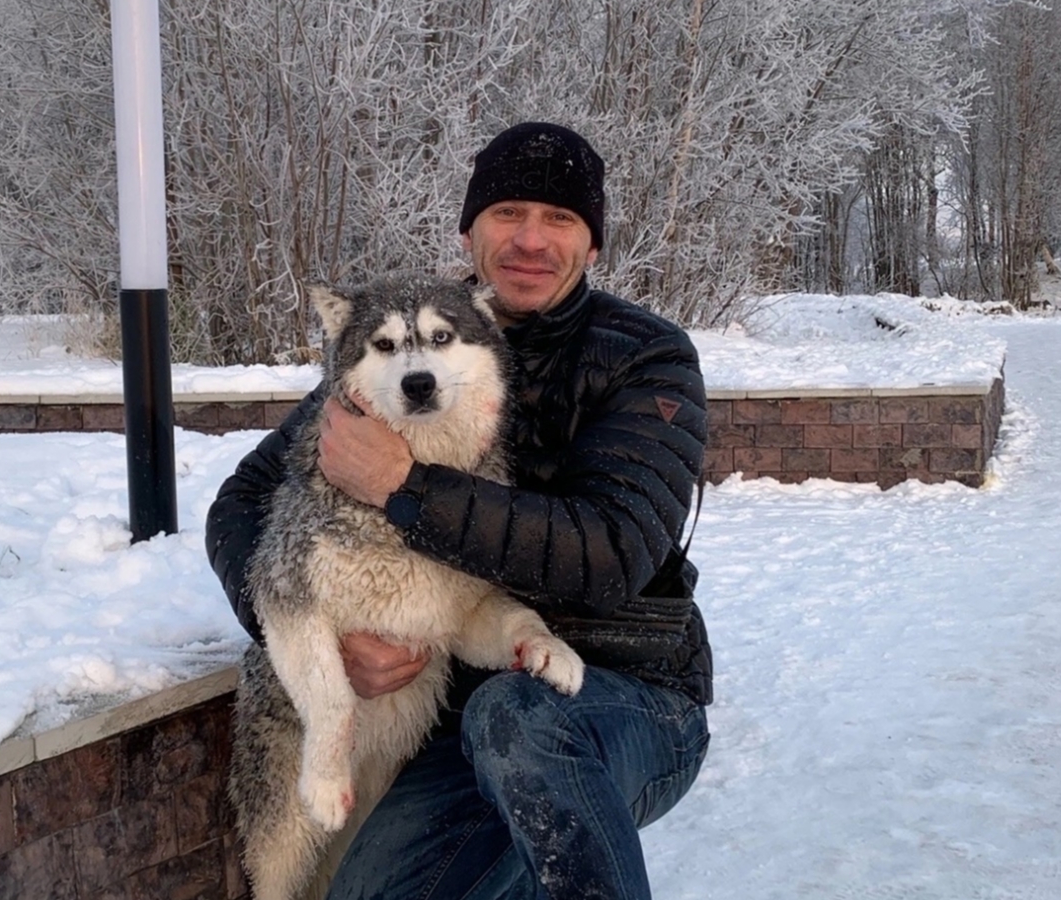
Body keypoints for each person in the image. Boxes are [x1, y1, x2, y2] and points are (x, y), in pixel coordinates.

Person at [206, 121, 712, 899]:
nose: (532, 240)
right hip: (464, 716)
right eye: (509, 213)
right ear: (471, 230)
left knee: (521, 719)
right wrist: (298, 628)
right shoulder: (396, 346)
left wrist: (406, 490)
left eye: (561, 219)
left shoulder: (645, 356)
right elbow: (242, 503)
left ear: (594, 244)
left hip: (629, 699)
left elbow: (614, 553)